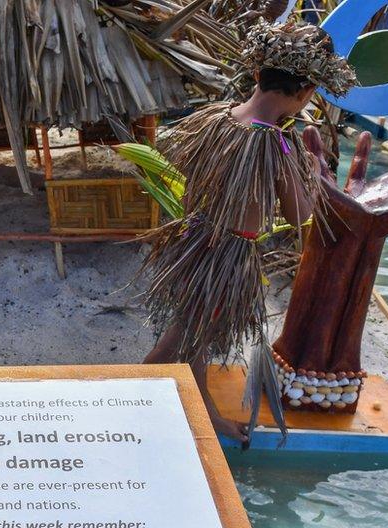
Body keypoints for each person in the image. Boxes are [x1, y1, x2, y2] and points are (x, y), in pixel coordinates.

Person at [140, 21, 357, 443]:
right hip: (228, 257)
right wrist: (313, 171)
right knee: (190, 339)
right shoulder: (275, 144)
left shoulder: (217, 120)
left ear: (258, 74)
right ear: (308, 91)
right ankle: (197, 413)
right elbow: (300, 214)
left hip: (195, 242)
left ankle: (158, 394)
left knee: (187, 333)